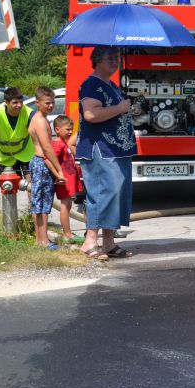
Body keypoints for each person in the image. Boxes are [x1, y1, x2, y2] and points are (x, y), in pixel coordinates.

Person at [77, 46, 136, 260]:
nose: (116, 61)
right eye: (111, 58)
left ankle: (109, 244)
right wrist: (120, 108)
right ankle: (89, 242)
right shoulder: (91, 84)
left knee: (117, 193)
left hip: (116, 149)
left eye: (117, 57)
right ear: (97, 60)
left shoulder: (110, 85)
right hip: (101, 148)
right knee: (102, 193)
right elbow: (91, 114)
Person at [27, 87, 66, 249]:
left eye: (52, 103)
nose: (50, 106)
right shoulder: (40, 121)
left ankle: (41, 240)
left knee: (42, 203)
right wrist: (59, 171)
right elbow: (47, 148)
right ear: (37, 103)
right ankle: (42, 241)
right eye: (47, 103)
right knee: (41, 204)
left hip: (41, 162)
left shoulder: (40, 118)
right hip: (42, 163)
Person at [0, 87, 33, 179]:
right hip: (5, 158)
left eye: (21, 102)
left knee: (31, 185)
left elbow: (39, 134)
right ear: (6, 102)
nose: (19, 105)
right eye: (15, 102)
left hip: (26, 154)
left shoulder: (29, 113)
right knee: (8, 187)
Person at [51, 115, 85, 244]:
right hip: (64, 181)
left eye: (71, 129)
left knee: (68, 205)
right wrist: (58, 175)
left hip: (70, 180)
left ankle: (68, 233)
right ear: (57, 129)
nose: (70, 132)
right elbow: (51, 159)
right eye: (67, 129)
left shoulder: (64, 143)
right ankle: (67, 234)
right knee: (65, 206)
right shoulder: (58, 144)